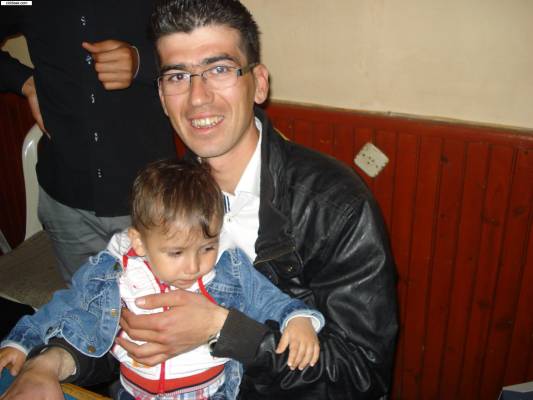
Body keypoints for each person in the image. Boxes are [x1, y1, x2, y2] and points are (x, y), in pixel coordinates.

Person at [0, 0, 399, 399]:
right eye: (178, 76)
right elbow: (126, 329)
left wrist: (221, 328)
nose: (197, 97)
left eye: (219, 69)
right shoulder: (167, 195)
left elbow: (360, 378)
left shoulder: (335, 205)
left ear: (259, 83)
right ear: (161, 95)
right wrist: (50, 363)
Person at [0, 159, 324, 400]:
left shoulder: (229, 267)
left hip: (211, 394)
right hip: (132, 392)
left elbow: (269, 299)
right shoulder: (113, 272)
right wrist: (22, 341)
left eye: (207, 247)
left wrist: (298, 319)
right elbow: (65, 306)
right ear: (139, 243)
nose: (194, 266)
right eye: (176, 252)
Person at [0, 1, 176, 281]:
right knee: (85, 303)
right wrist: (25, 83)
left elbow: (204, 40)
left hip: (152, 199)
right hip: (66, 202)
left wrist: (142, 61)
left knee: (160, 304)